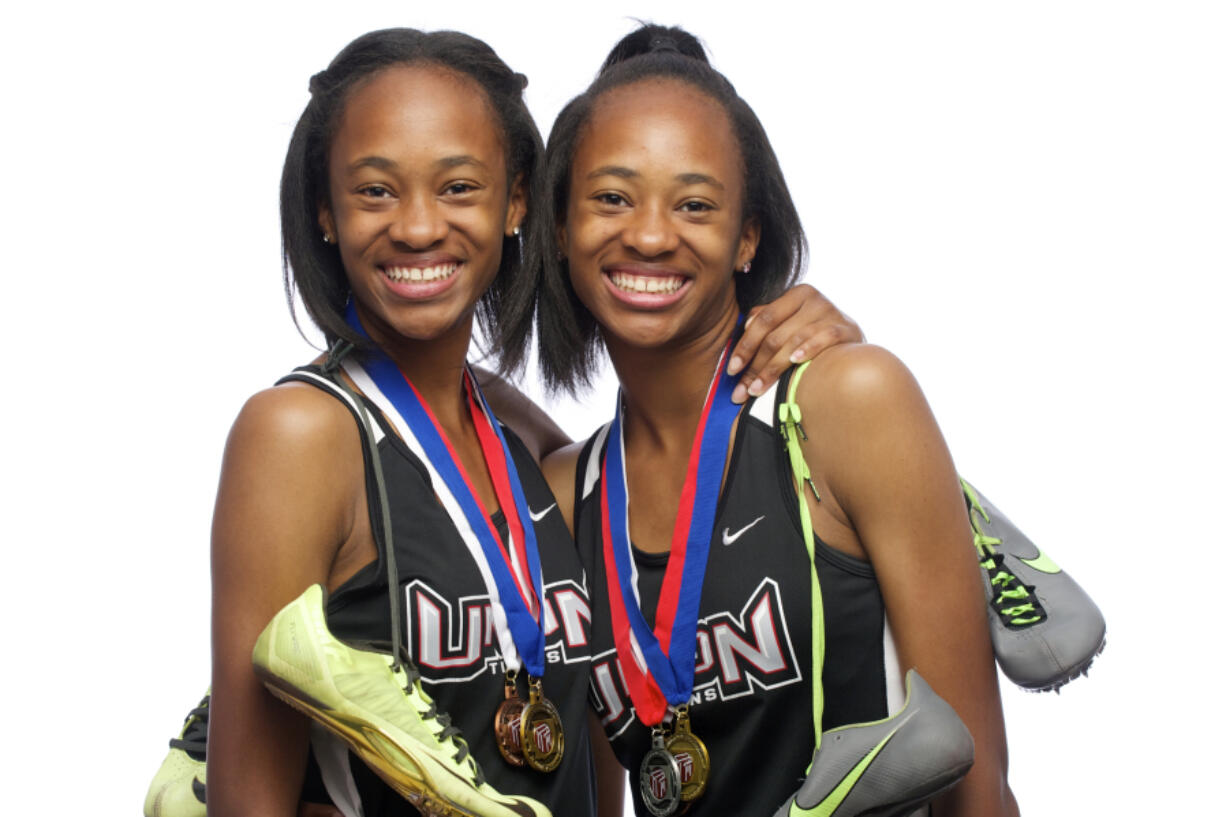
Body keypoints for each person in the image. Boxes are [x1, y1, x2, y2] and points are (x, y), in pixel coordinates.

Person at [201, 27, 863, 817]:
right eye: (375, 190)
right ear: (325, 211)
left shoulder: (528, 450)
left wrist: (808, 355)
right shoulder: (299, 434)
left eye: (458, 187)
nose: (417, 227)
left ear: (517, 201)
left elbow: (667, 452)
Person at [537, 25, 1019, 817]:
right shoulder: (560, 497)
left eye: (694, 204)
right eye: (612, 198)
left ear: (746, 235)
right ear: (560, 228)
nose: (651, 235)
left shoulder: (847, 404)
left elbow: (979, 790)